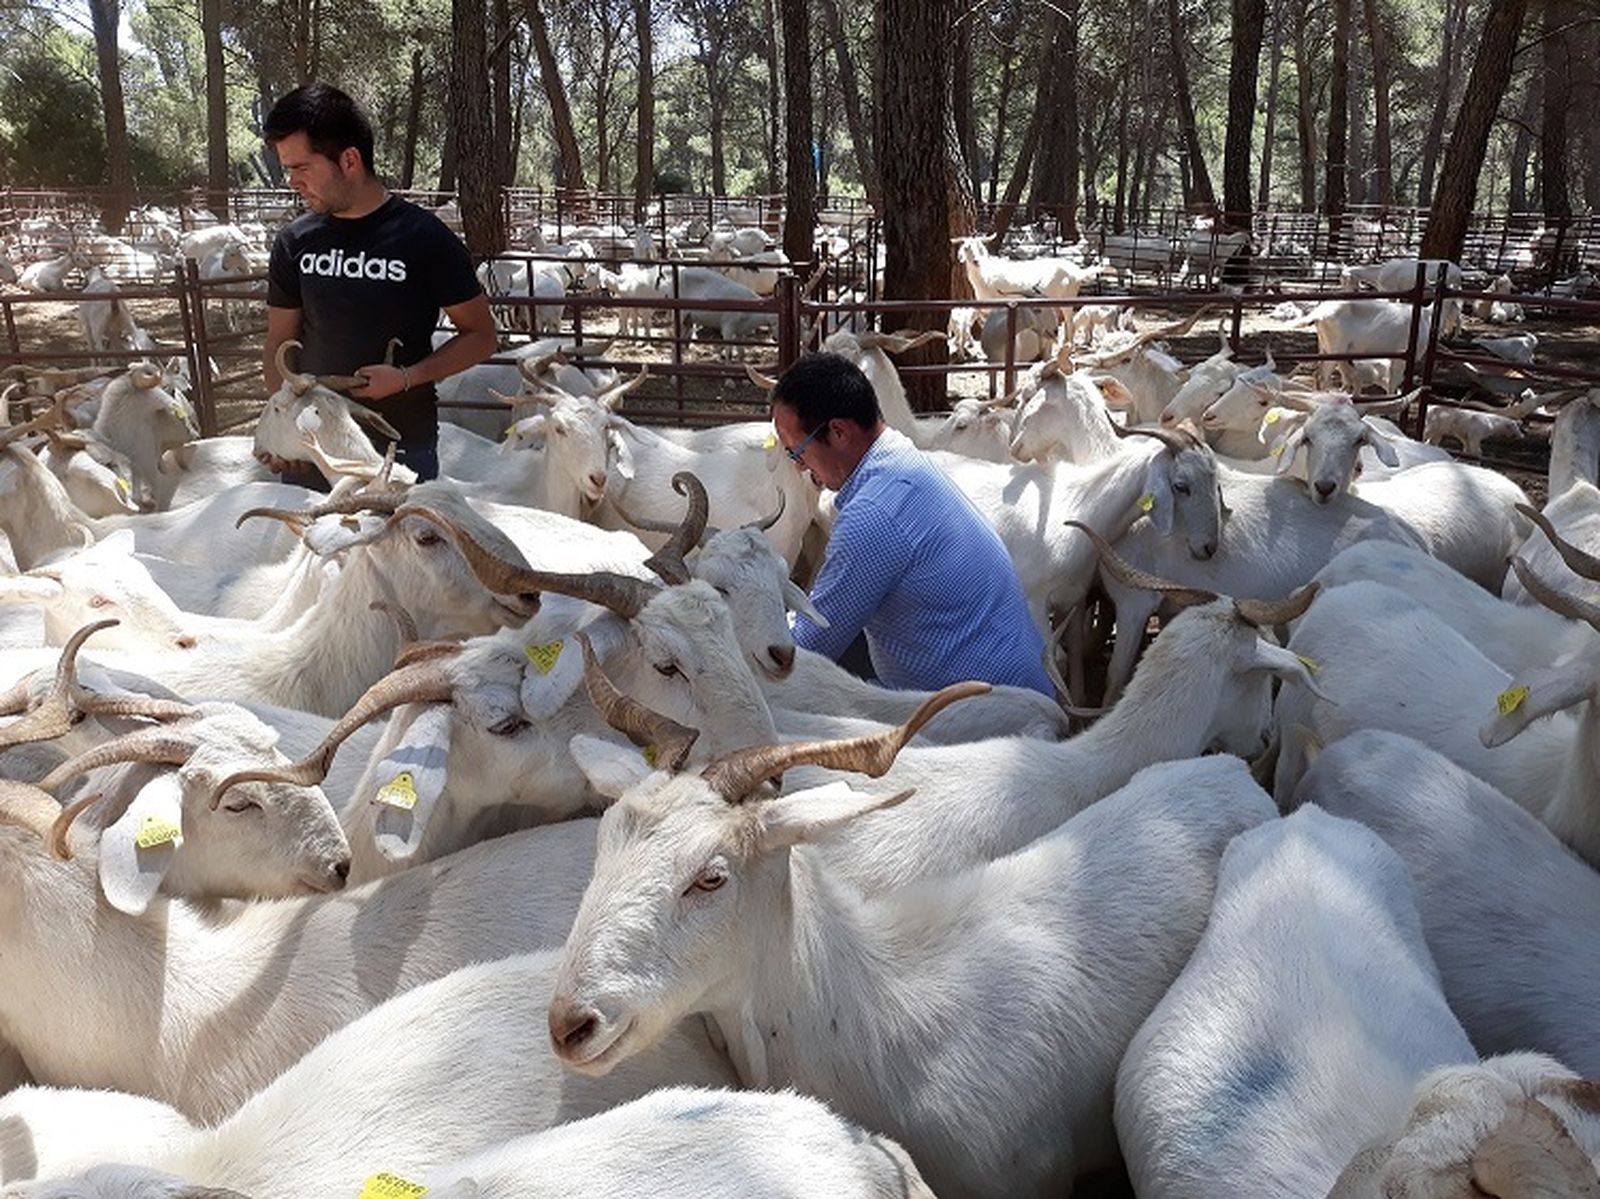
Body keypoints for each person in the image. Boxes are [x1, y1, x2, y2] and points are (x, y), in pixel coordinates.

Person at [771, 353, 1054, 696]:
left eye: (796, 451)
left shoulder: (874, 514)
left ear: (839, 432)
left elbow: (806, 648)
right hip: (1022, 687)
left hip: (990, 720)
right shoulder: (903, 460)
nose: (799, 466)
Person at [257, 83, 497, 482]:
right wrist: (281, 425)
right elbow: (278, 342)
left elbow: (481, 335)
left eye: (301, 168)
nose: (292, 182)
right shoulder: (293, 242)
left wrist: (407, 377)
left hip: (401, 450)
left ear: (349, 160)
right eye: (288, 170)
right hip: (313, 452)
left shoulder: (425, 238)